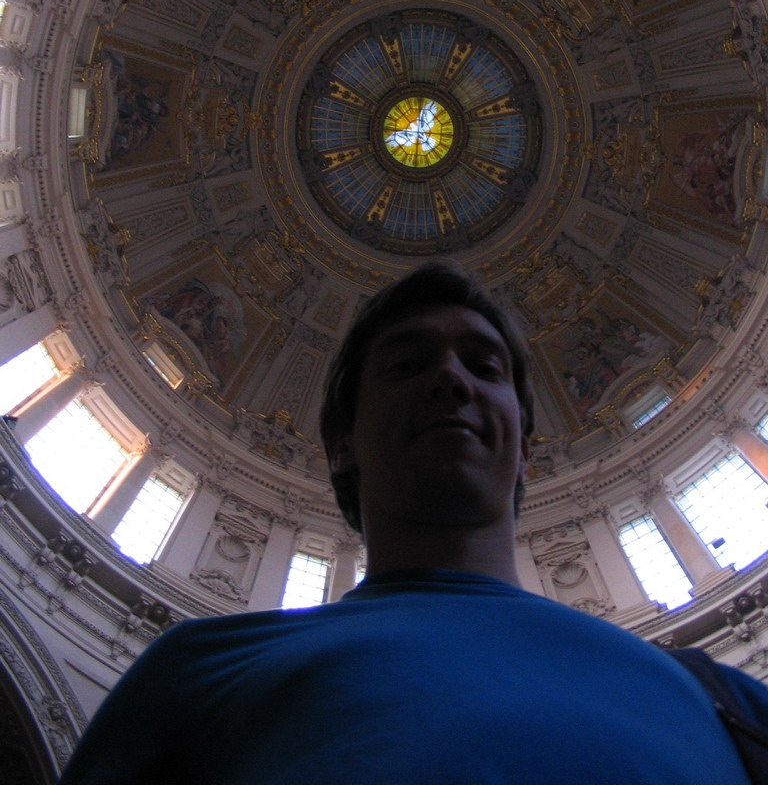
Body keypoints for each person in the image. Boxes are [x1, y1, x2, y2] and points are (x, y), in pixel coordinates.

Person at [60, 261, 768, 784]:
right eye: (405, 365)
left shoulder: (721, 700)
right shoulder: (197, 675)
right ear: (341, 443)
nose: (451, 379)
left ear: (524, 448)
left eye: (484, 366)